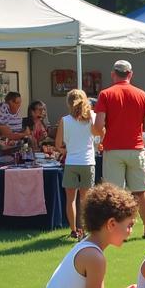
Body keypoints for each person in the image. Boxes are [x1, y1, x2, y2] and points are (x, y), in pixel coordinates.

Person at [93, 60, 145, 239]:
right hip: (135, 148)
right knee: (141, 190)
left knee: (114, 193)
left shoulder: (106, 94)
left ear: (114, 74)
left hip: (113, 149)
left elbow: (98, 125)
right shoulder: (141, 94)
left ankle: (115, 230)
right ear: (130, 74)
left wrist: (105, 134)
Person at [55, 89, 96, 240]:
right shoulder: (91, 117)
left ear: (68, 103)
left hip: (71, 162)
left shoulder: (64, 120)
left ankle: (73, 230)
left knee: (70, 199)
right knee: (85, 200)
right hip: (87, 162)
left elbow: (58, 144)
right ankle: (84, 229)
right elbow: (100, 134)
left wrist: (66, 150)